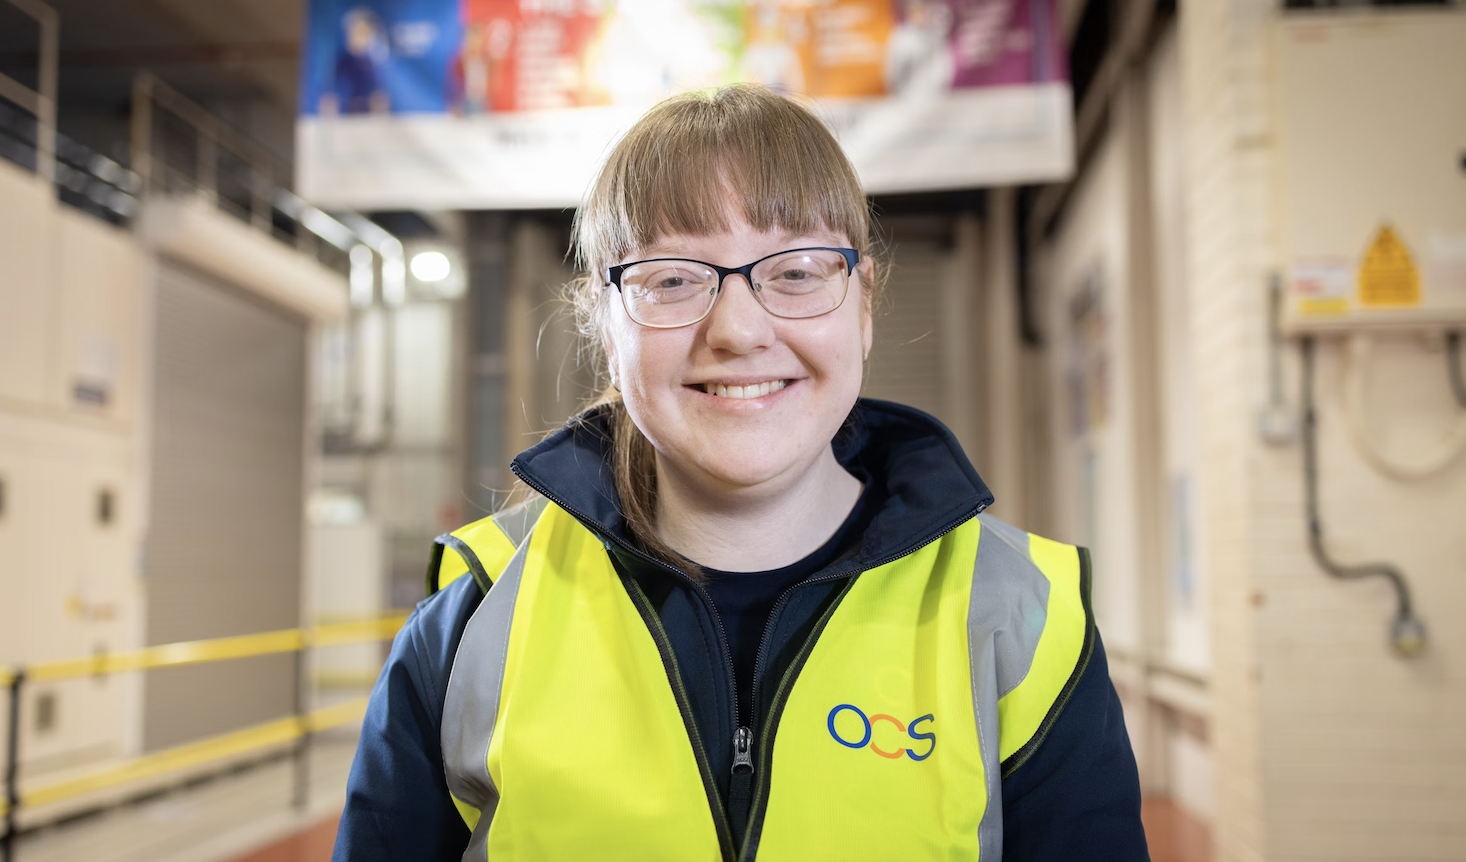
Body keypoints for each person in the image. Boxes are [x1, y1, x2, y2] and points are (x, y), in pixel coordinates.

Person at [333, 84, 1148, 861]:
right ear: (603, 321)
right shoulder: (475, 616)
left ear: (862, 303)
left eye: (795, 271)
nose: (738, 329)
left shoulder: (1020, 620)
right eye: (672, 279)